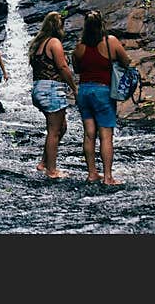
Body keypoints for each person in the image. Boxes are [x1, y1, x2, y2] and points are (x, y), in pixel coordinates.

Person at [72, 10, 131, 185]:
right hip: (102, 92)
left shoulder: (79, 47)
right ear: (101, 24)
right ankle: (108, 177)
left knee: (89, 134)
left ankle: (91, 174)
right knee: (106, 136)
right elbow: (126, 62)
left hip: (84, 92)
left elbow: (77, 69)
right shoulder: (110, 42)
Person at [28, 12, 77, 179]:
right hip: (51, 89)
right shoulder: (54, 42)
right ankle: (52, 170)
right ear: (58, 27)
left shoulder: (37, 43)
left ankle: (44, 163)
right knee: (55, 130)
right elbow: (63, 67)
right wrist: (74, 88)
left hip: (38, 88)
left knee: (60, 127)